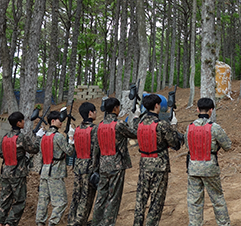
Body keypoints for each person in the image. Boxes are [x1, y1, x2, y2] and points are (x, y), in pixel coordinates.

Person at [132, 94, 182, 226]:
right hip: (159, 166)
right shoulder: (162, 125)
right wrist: (174, 125)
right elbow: (174, 143)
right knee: (156, 200)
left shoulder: (139, 124)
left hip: (144, 164)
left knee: (140, 200)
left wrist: (136, 115)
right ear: (156, 106)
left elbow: (134, 125)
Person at [91, 97, 138, 226]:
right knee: (113, 198)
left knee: (101, 196)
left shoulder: (98, 126)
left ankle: (96, 222)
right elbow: (135, 134)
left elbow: (96, 148)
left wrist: (95, 166)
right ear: (115, 108)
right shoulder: (119, 124)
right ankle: (107, 223)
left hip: (103, 164)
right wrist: (136, 118)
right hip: (116, 164)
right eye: (118, 107)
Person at [185, 97, 231, 226]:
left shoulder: (190, 127)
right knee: (217, 199)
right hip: (210, 167)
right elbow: (228, 145)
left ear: (198, 109)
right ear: (211, 110)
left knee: (194, 201)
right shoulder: (215, 128)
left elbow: (187, 145)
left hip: (193, 167)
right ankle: (223, 224)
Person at [0, 111, 39, 226]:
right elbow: (34, 149)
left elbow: (1, 154)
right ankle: (10, 223)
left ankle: (0, 222)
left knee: (4, 199)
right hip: (17, 173)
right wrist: (38, 137)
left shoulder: (5, 137)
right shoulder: (21, 137)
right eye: (22, 120)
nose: (24, 122)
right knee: (19, 201)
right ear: (18, 123)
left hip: (6, 172)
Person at [36, 110, 75, 226]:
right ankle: (52, 223)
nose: (61, 122)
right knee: (61, 202)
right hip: (55, 172)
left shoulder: (43, 137)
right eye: (59, 120)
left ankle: (40, 223)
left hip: (44, 171)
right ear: (53, 121)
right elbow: (69, 151)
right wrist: (71, 138)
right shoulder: (58, 137)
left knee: (43, 201)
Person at [68, 102, 99, 226]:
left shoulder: (77, 130)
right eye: (95, 111)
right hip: (89, 166)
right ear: (90, 113)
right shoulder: (94, 129)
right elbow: (97, 150)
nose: (96, 113)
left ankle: (72, 220)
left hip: (78, 165)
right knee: (86, 197)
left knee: (76, 195)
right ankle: (79, 222)